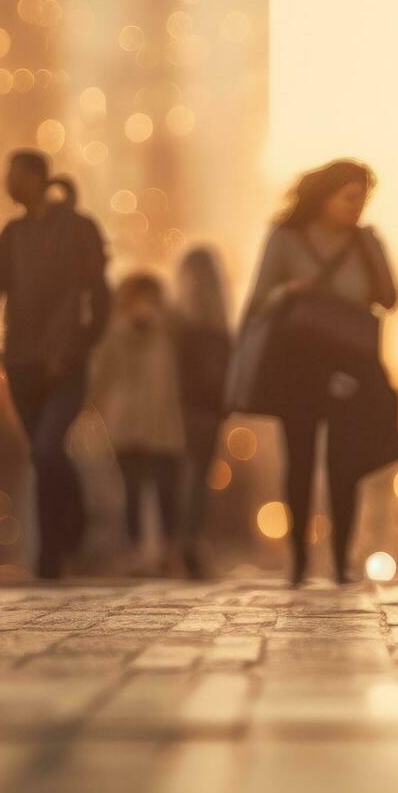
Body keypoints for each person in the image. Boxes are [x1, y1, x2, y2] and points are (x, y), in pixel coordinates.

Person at [232, 160, 398, 587]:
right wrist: (287, 291)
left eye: (363, 198)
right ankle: (299, 562)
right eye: (348, 197)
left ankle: (342, 560)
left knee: (347, 462)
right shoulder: (286, 237)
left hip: (352, 366)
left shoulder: (365, 240)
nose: (356, 207)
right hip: (298, 363)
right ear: (325, 196)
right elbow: (257, 301)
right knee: (300, 458)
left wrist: (372, 250)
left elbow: (390, 298)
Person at [0, 150, 111, 579]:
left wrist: (81, 346)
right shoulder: (12, 234)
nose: (7, 182)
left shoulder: (79, 228)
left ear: (36, 177)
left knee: (47, 448)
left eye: (13, 173)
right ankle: (50, 554)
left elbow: (100, 297)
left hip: (65, 364)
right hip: (21, 362)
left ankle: (71, 524)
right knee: (41, 456)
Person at [88, 272, 200, 576]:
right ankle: (140, 552)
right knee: (134, 490)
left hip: (158, 423)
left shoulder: (169, 327)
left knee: (165, 490)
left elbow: (99, 381)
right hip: (132, 425)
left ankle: (164, 551)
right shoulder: (115, 331)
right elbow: (100, 377)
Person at [171, 246, 231, 574]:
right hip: (206, 411)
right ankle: (189, 543)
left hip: (191, 410)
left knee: (189, 477)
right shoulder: (219, 326)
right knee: (196, 478)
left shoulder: (179, 323)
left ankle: (184, 543)